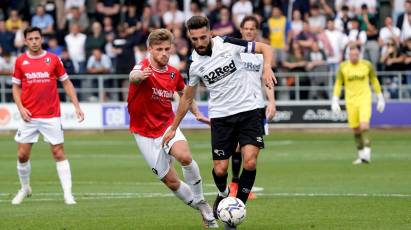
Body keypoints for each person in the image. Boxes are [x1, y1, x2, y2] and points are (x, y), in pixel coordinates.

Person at [162, 16, 276, 230]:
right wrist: (173, 128)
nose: (199, 42)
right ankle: (223, 194)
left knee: (250, 161)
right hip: (222, 118)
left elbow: (265, 48)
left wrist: (267, 67)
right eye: (194, 39)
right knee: (220, 170)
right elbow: (187, 98)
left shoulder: (229, 44)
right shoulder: (194, 63)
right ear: (190, 37)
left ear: (210, 33)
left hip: (249, 111)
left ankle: (236, 208)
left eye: (203, 37)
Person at [127, 28, 218, 228]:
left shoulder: (173, 73)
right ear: (150, 49)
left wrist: (197, 114)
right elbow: (133, 75)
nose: (164, 53)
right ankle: (201, 208)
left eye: (167, 49)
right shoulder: (143, 67)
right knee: (172, 183)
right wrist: (139, 76)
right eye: (159, 49)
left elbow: (185, 93)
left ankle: (202, 201)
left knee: (184, 157)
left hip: (168, 126)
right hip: (143, 134)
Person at [11, 27, 84, 205]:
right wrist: (20, 107)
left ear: (41, 39)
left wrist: (76, 106)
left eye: (37, 38)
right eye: (30, 39)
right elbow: (15, 87)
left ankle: (68, 194)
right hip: (29, 116)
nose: (34, 41)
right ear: (26, 41)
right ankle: (25, 188)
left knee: (58, 153)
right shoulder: (20, 61)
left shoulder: (53, 59)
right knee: (22, 155)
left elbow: (66, 83)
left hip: (51, 115)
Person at [228, 15, 277, 200]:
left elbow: (267, 81)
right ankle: (234, 184)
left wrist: (271, 102)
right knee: (237, 147)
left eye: (252, 28)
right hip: (236, 106)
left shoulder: (261, 54)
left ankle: (242, 187)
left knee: (251, 151)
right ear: (241, 30)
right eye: (246, 28)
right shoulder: (233, 50)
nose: (249, 31)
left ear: (256, 31)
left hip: (256, 107)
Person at [331, 44, 385, 165]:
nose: (354, 57)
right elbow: (338, 83)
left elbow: (374, 80)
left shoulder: (367, 65)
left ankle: (367, 153)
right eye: (351, 55)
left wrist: (380, 97)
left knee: (364, 126)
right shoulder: (343, 67)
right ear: (348, 55)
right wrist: (335, 99)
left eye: (356, 54)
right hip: (350, 101)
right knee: (355, 130)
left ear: (359, 54)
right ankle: (361, 156)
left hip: (364, 99)